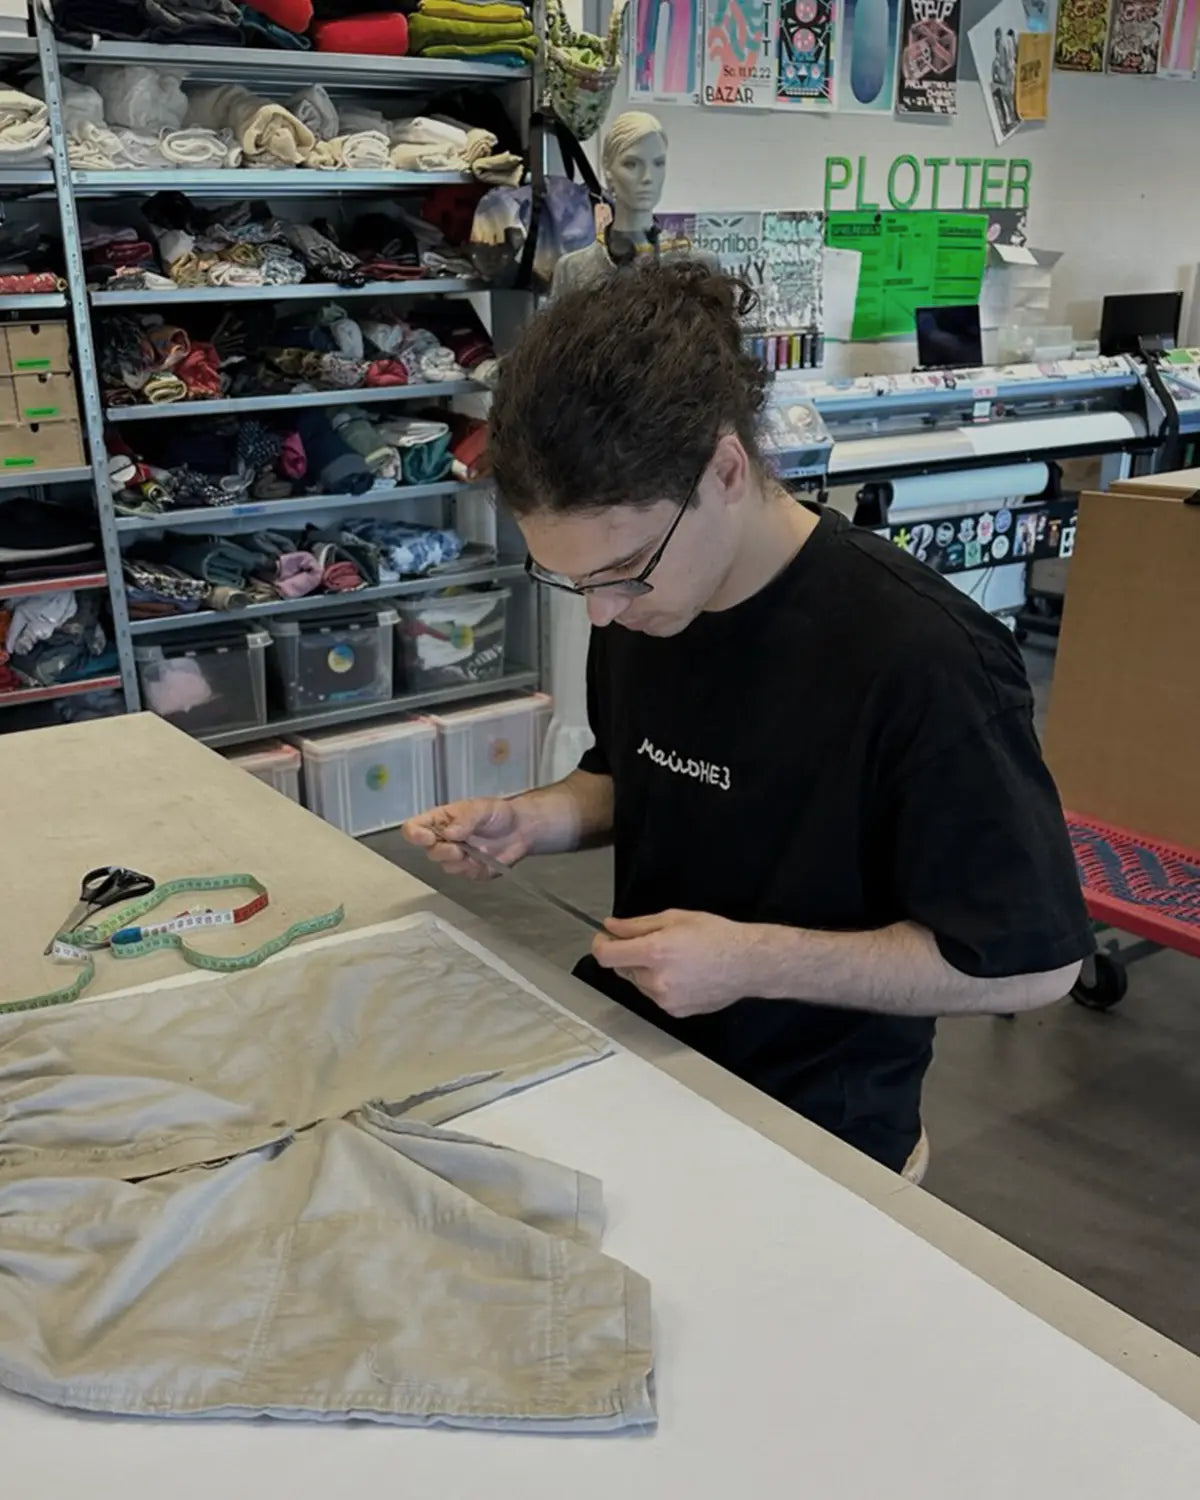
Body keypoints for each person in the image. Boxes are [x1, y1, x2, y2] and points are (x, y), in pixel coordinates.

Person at [403, 262, 1092, 1173]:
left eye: (620, 572)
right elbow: (639, 775)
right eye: (572, 580)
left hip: (814, 1123)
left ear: (726, 470)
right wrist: (537, 819)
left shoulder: (924, 660)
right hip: (638, 1054)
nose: (601, 614)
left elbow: (1034, 964)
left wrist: (755, 961)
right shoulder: (648, 599)